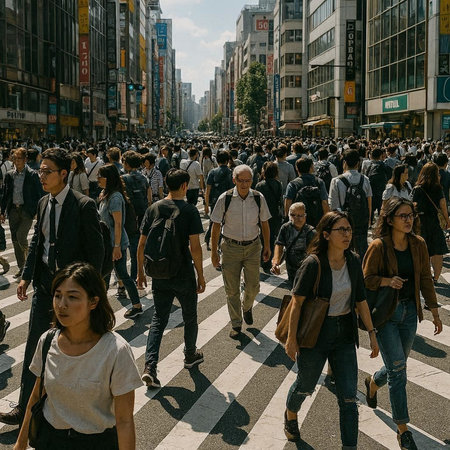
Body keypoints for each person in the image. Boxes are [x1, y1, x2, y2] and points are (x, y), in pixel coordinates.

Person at [0, 148, 104, 426]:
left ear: (63, 174)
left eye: (47, 171)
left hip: (73, 295)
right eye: (40, 170)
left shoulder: (83, 205)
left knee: (73, 352)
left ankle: (73, 412)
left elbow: (96, 253)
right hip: (46, 288)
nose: (41, 176)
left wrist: (88, 293)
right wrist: (25, 276)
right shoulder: (44, 203)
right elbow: (38, 241)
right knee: (35, 347)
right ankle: (24, 409)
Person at [13, 262, 142, 450]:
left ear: (93, 302)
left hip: (96, 443)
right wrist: (21, 443)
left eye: (72, 297)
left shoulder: (115, 350)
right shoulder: (47, 341)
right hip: (50, 440)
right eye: (57, 296)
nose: (62, 305)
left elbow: (124, 421)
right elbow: (36, 396)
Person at [284, 211, 379, 446]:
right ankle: (290, 414)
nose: (347, 234)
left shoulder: (354, 261)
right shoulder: (313, 263)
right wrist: (291, 338)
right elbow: (297, 302)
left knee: (348, 398)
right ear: (326, 235)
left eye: (349, 229)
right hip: (316, 334)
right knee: (305, 385)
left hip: (345, 334)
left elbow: (360, 300)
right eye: (341, 230)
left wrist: (372, 333)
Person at [362, 197, 443, 450]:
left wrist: (434, 310)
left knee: (398, 366)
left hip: (409, 314)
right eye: (403, 216)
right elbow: (365, 280)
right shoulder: (378, 246)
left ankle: (373, 382)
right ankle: (403, 430)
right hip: (386, 315)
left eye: (411, 215)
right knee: (399, 372)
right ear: (389, 220)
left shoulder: (418, 244)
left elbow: (425, 279)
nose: (409, 220)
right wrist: (387, 281)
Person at [137, 169, 205, 388]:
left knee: (159, 319)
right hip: (182, 272)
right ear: (185, 186)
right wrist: (200, 275)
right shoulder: (189, 210)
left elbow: (141, 244)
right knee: (190, 316)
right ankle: (190, 355)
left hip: (159, 272)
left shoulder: (153, 209)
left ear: (166, 184)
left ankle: (150, 366)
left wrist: (140, 272)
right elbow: (195, 247)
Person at [210, 165, 272, 339]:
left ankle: (247, 306)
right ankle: (236, 323)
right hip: (230, 248)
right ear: (234, 180)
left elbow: (264, 223)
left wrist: (267, 246)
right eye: (241, 180)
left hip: (253, 247)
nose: (244, 184)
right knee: (232, 290)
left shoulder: (258, 197)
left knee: (253, 287)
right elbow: (215, 225)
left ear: (252, 180)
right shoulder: (226, 198)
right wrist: (214, 251)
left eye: (248, 180)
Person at [97, 164, 142, 318]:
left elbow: (118, 223)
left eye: (100, 176)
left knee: (122, 274)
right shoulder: (105, 194)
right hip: (106, 243)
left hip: (116, 243)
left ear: (108, 178)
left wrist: (116, 246)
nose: (97, 179)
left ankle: (136, 305)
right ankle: (100, 308)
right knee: (104, 275)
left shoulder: (115, 197)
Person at [0, 148, 42, 279]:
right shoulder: (9, 174)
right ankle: (22, 268)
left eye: (19, 159)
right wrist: (2, 211)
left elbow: (39, 194)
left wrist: (37, 210)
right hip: (13, 210)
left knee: (21, 237)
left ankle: (30, 262)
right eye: (15, 159)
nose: (17, 161)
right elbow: (5, 194)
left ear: (25, 160)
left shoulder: (32, 174)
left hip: (26, 211)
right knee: (14, 239)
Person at [329, 149, 372, 259]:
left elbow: (333, 206)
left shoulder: (336, 181)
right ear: (358, 163)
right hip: (361, 220)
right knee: (362, 250)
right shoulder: (365, 179)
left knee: (344, 251)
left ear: (344, 163)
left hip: (344, 222)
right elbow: (369, 203)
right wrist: (369, 219)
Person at [412, 162, 450, 282]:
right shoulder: (438, 188)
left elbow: (412, 205)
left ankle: (425, 276)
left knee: (423, 251)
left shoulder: (417, 189)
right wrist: (447, 220)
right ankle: (436, 277)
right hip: (434, 222)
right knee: (437, 252)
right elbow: (443, 205)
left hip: (420, 222)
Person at [271, 202, 316, 287]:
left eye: (300, 215)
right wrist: (275, 263)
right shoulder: (285, 228)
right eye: (293, 215)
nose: (296, 218)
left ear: (305, 216)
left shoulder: (311, 232)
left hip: (306, 270)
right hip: (291, 268)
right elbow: (279, 244)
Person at [255, 161, 283, 273]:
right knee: (272, 238)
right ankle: (268, 259)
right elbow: (280, 200)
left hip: (262, 215)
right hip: (275, 214)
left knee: (263, 237)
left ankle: (263, 259)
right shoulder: (278, 184)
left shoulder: (259, 185)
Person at [284, 157, 329, 227]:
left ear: (297, 168)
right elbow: (324, 202)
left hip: (298, 221)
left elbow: (288, 202)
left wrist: (289, 219)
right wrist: (326, 221)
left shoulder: (293, 184)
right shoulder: (319, 182)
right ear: (311, 167)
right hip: (316, 220)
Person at [204, 150, 234, 250]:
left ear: (217, 160)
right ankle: (219, 243)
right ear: (227, 160)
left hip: (214, 201)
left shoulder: (212, 172)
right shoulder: (231, 173)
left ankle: (208, 241)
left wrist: (206, 205)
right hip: (228, 202)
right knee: (225, 223)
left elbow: (207, 190)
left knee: (213, 222)